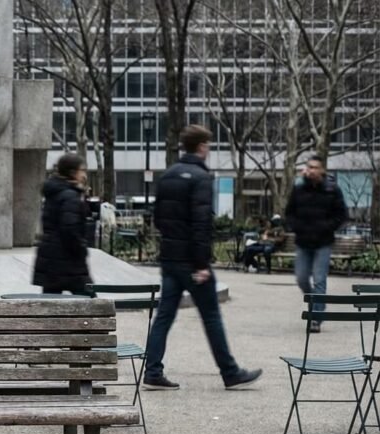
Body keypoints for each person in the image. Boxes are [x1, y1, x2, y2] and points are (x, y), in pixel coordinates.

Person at [143, 124, 261, 391]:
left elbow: (158, 218)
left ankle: (152, 370)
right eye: (207, 144)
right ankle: (230, 372)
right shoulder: (201, 178)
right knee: (211, 316)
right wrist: (201, 263)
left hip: (170, 258)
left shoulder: (168, 175)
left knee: (164, 316)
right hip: (192, 261)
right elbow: (201, 224)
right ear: (201, 146)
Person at [285, 155, 348, 333]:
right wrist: (296, 227)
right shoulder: (299, 189)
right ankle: (316, 302)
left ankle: (316, 318)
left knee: (320, 280)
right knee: (301, 278)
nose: (312, 170)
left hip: (323, 242)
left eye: (315, 167)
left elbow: (342, 215)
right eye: (309, 167)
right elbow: (289, 212)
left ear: (322, 170)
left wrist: (327, 227)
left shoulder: (332, 189)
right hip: (303, 241)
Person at [32, 153, 91, 294]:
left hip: (51, 259)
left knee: (51, 302)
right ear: (72, 172)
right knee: (89, 300)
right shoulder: (70, 196)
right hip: (68, 260)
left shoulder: (55, 193)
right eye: (82, 170)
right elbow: (70, 229)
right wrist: (81, 249)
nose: (84, 175)